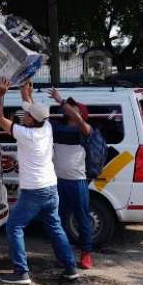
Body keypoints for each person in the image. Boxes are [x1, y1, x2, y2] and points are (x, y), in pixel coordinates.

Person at [0, 78, 79, 285]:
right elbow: (32, 108)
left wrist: (1, 93)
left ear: (31, 120)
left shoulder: (26, 134)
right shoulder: (46, 126)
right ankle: (70, 268)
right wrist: (25, 94)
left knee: (14, 226)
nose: (25, 116)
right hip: (51, 187)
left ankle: (21, 272)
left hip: (35, 190)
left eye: (28, 115)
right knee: (55, 227)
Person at [47, 88, 94, 270]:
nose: (68, 110)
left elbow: (80, 120)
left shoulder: (85, 131)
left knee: (82, 219)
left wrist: (61, 101)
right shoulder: (57, 128)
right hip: (58, 182)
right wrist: (26, 95)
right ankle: (63, 256)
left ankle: (86, 254)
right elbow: (38, 117)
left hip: (78, 182)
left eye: (73, 109)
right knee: (58, 220)